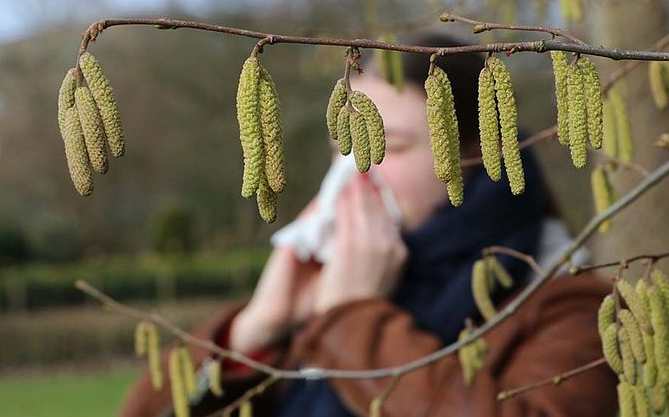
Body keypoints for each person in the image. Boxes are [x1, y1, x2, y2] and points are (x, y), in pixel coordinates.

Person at [120, 31, 618, 417]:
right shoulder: (319, 289)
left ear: (475, 153)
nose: (356, 171)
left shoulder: (565, 308)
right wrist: (249, 334)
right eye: (344, 148)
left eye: (392, 145)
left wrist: (354, 320)